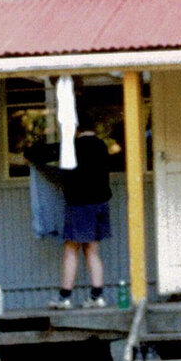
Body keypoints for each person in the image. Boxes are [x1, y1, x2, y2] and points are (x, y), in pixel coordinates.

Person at [32, 111, 115, 309]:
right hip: (100, 204)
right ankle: (97, 296)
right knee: (92, 250)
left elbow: (45, 154)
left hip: (80, 205)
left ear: (75, 127)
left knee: (71, 250)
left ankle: (65, 297)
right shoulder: (102, 146)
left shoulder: (74, 146)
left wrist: (30, 155)